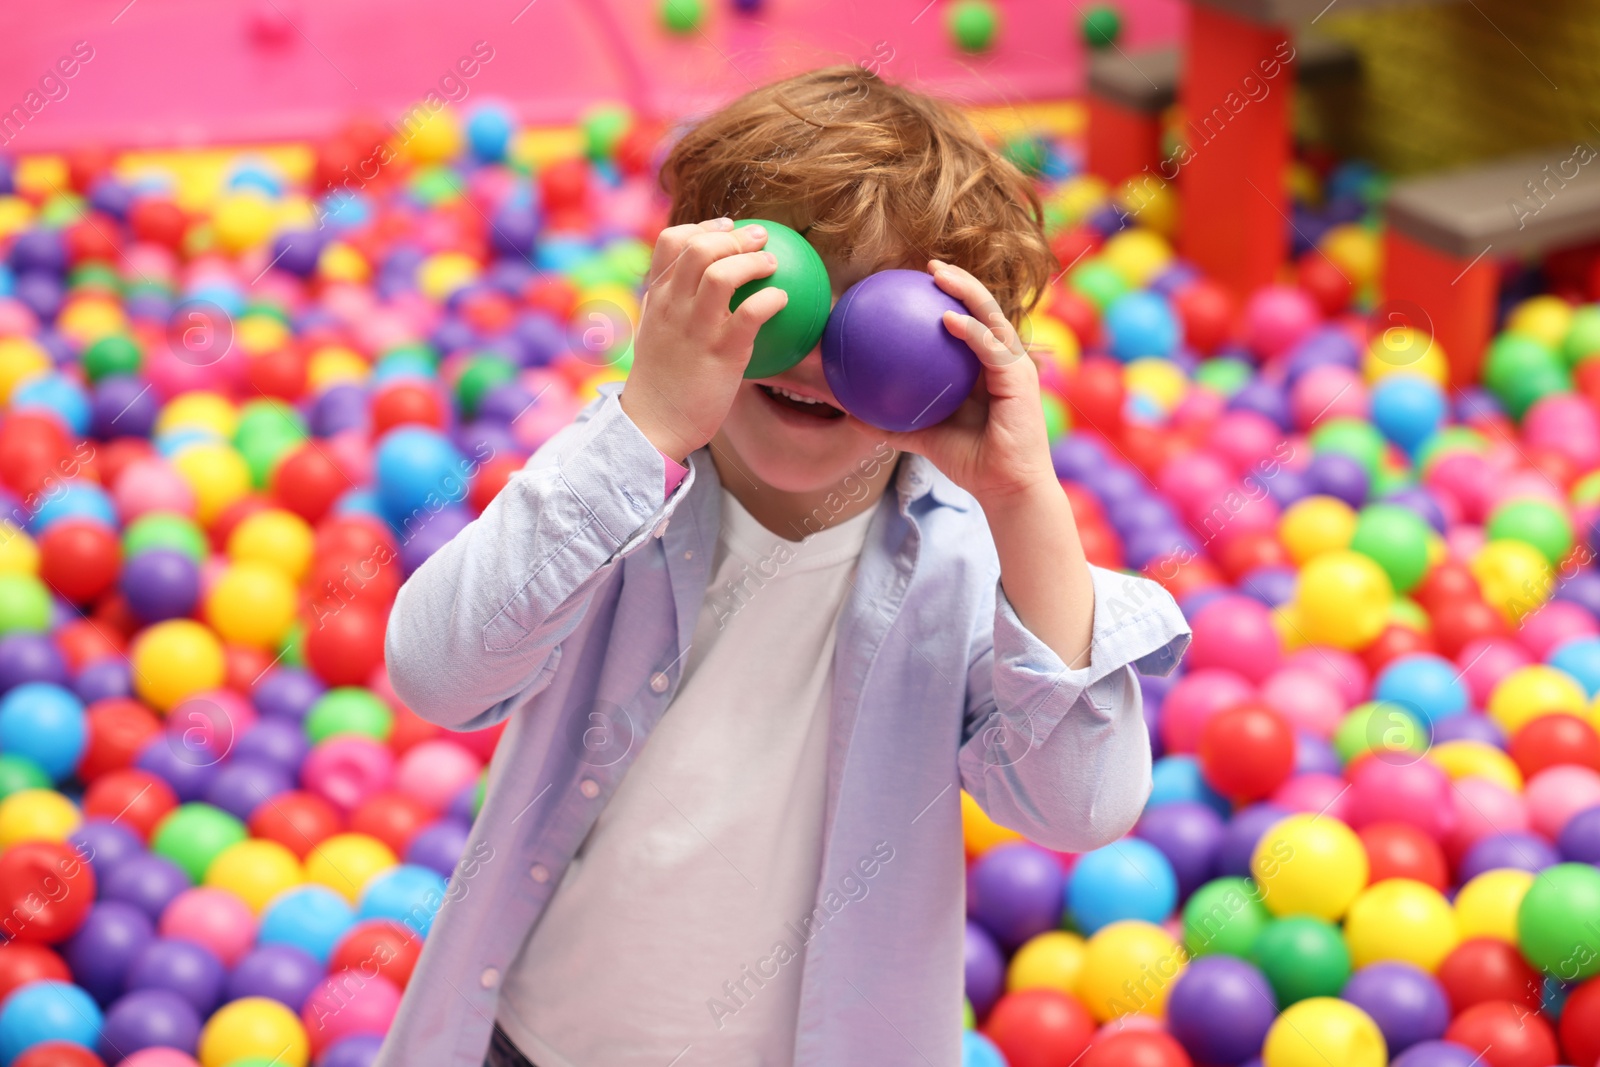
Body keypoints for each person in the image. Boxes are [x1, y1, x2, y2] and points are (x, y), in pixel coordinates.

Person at [375, 63, 1190, 1067]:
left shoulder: (964, 565)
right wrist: (650, 419)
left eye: (879, 315)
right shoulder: (614, 486)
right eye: (791, 290)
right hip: (530, 1038)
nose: (818, 355)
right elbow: (436, 670)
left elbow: (1082, 805)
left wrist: (1026, 500)